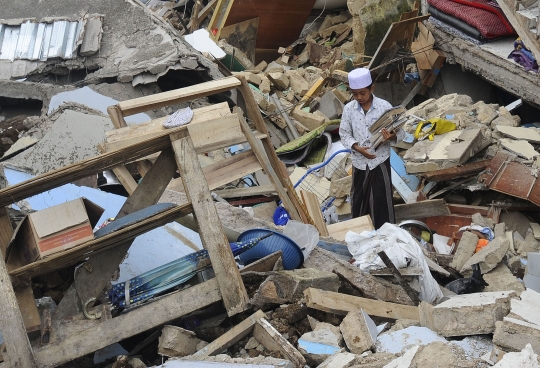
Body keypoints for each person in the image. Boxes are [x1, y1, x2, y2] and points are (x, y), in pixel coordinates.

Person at [339, 68, 405, 229]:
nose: (359, 97)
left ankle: (385, 234)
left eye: (363, 93)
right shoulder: (349, 109)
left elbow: (401, 132)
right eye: (355, 94)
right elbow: (344, 134)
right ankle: (362, 234)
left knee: (382, 199)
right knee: (359, 200)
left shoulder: (384, 107)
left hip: (380, 161)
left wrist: (392, 136)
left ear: (372, 89)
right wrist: (357, 147)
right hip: (359, 163)